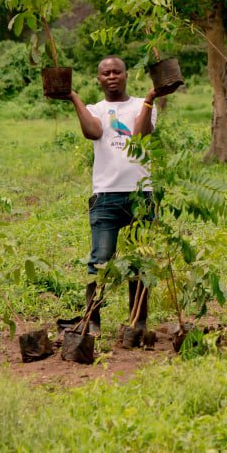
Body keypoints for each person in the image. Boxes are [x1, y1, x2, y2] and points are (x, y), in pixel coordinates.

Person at [61, 56, 157, 339]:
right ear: (99, 79)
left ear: (126, 75)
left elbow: (140, 136)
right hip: (105, 196)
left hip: (141, 195)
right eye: (106, 73)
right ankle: (92, 321)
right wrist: (73, 97)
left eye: (117, 71)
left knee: (141, 262)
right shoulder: (96, 110)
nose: (112, 76)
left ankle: (138, 322)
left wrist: (151, 96)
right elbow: (93, 132)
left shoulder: (142, 106)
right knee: (99, 260)